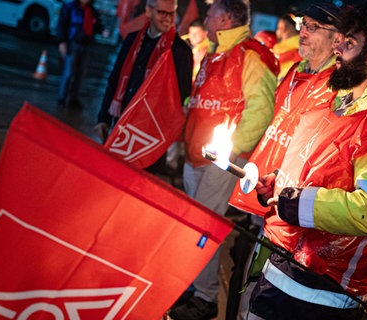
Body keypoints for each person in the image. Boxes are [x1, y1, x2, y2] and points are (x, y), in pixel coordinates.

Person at [248, 3, 367, 320]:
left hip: (322, 294)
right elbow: (323, 171)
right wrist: (279, 183)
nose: (337, 45)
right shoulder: (340, 102)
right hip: (281, 268)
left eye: (349, 42)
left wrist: (299, 203)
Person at [226, 3, 343, 319]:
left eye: (314, 27)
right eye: (303, 23)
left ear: (338, 40)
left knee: (264, 284)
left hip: (291, 205)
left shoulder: (341, 86)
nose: (302, 31)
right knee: (247, 269)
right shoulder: (296, 71)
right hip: (264, 187)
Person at [169, 0, 279, 319]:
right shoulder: (216, 53)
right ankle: (193, 289)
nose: (205, 19)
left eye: (210, 14)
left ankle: (204, 298)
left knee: (202, 228)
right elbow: (200, 101)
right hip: (196, 155)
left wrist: (229, 154)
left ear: (226, 18)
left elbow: (260, 110)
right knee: (195, 228)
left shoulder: (251, 54)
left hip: (220, 159)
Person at [94, 0, 192, 173]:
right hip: (123, 126)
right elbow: (115, 79)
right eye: (162, 12)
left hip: (149, 138)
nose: (168, 18)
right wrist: (104, 118)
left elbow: (181, 94)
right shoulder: (133, 40)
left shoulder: (179, 50)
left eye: (172, 13)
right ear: (149, 11)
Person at [57, 0, 103, 109]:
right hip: (73, 43)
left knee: (80, 73)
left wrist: (98, 27)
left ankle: (73, 98)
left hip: (86, 45)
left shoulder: (92, 11)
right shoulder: (70, 7)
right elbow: (62, 24)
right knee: (69, 72)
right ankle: (62, 97)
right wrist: (61, 41)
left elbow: (97, 26)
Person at [273, 13, 302, 83]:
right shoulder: (303, 43)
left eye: (278, 28)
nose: (276, 31)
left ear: (283, 27)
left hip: (282, 83)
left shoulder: (279, 48)